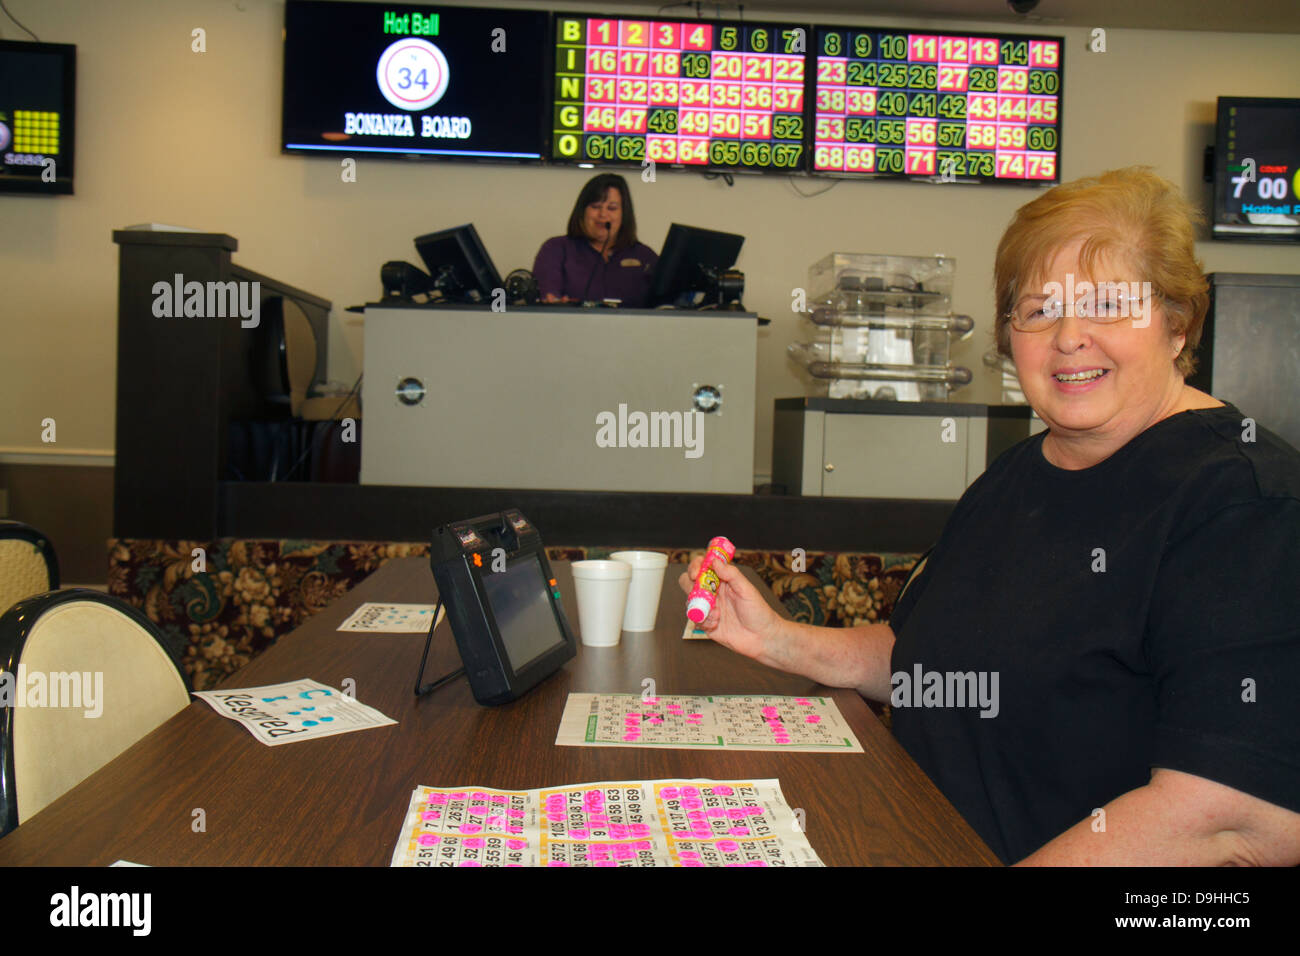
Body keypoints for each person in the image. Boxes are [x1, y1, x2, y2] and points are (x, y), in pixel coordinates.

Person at [679, 167, 1300, 866]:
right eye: (1038, 309)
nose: (1069, 337)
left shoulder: (1247, 505)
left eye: (1106, 304)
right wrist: (779, 641)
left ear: (1176, 322)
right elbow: (928, 657)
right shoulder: (1019, 473)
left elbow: (1236, 817)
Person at [532, 173, 658, 307]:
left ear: (624, 214)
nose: (603, 214)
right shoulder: (556, 249)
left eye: (612, 208)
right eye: (595, 207)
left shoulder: (645, 256)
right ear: (582, 211)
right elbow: (549, 300)